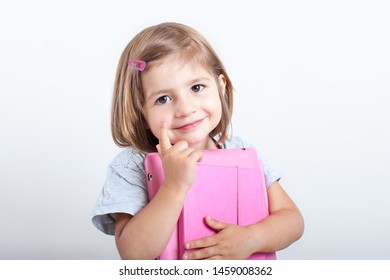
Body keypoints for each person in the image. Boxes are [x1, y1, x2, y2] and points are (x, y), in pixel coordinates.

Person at [92, 22, 304, 260]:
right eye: (163, 99)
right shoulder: (132, 165)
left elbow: (292, 220)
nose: (185, 108)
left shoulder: (241, 151)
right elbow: (133, 254)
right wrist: (174, 186)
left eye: (197, 87)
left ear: (221, 87)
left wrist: (252, 238)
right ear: (141, 112)